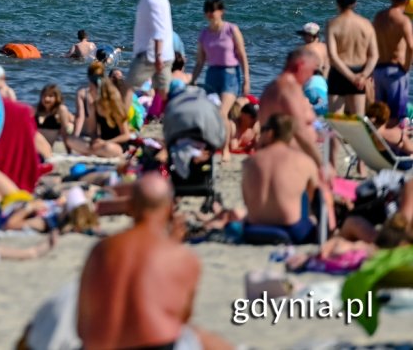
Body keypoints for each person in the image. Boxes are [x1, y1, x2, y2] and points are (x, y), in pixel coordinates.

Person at [75, 174, 213, 350]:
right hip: (154, 345)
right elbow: (181, 319)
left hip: (97, 346)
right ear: (170, 209)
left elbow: (81, 326)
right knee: (204, 339)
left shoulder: (101, 250)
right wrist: (171, 245)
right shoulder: (182, 257)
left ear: (130, 207)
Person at [241, 114, 326, 244]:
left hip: (253, 230)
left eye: (263, 130)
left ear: (270, 133)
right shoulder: (304, 161)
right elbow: (314, 198)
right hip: (292, 230)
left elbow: (247, 201)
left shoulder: (249, 163)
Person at [189, 0, 250, 144]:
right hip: (212, 74)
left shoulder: (231, 29)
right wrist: (192, 79)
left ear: (221, 11)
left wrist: (246, 79)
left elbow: (242, 55)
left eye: (213, 10)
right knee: (214, 112)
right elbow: (200, 61)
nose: (210, 13)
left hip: (230, 75)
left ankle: (225, 151)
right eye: (207, 11)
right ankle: (223, 140)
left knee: (222, 112)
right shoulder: (204, 34)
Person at [258, 47, 325, 169]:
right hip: (289, 162)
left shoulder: (276, 87)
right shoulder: (288, 89)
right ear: (300, 66)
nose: (312, 77)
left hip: (288, 158)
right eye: (312, 71)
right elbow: (300, 131)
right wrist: (321, 164)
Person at [127, 0, 174, 114]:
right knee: (163, 92)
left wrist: (157, 56)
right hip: (164, 54)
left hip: (150, 56)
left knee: (128, 88)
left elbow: (158, 30)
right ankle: (168, 120)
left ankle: (121, 124)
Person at [327, 0, 377, 117]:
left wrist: (349, 76)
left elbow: (332, 56)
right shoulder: (366, 24)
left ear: (337, 3)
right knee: (357, 121)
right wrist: (363, 75)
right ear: (355, 3)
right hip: (359, 74)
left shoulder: (332, 24)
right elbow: (374, 56)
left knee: (336, 122)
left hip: (338, 73)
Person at [372, 0, 413, 124]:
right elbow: (411, 46)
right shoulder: (403, 20)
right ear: (407, 1)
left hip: (378, 71)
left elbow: (371, 43)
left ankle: (380, 143)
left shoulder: (379, 17)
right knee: (397, 116)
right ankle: (396, 142)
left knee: (381, 115)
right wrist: (406, 67)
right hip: (395, 71)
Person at [34, 84, 74, 148]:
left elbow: (65, 131)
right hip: (40, 143)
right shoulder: (36, 109)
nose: (46, 99)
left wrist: (68, 151)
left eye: (50, 96)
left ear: (56, 97)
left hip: (59, 135)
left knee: (69, 125)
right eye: (44, 96)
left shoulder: (61, 109)